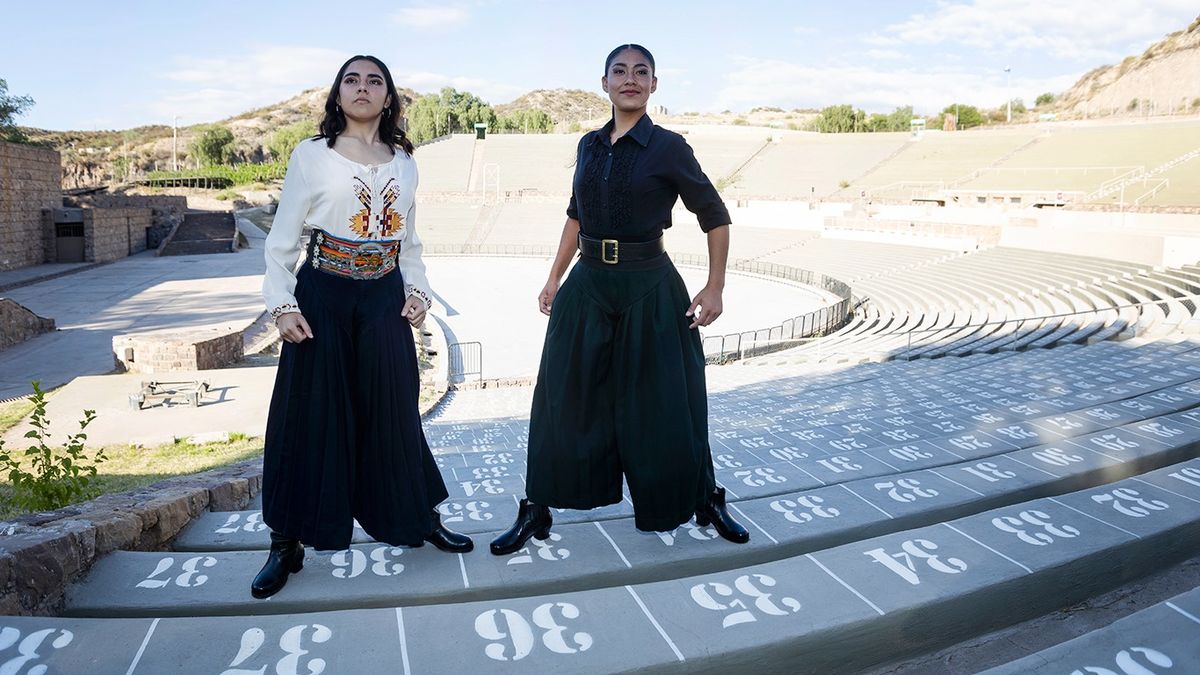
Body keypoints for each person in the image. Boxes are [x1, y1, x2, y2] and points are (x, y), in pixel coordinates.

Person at [490, 44, 748, 555]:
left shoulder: (670, 147)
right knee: (559, 398)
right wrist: (554, 277)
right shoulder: (588, 145)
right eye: (620, 71)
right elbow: (576, 214)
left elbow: (714, 215)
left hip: (649, 285)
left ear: (654, 84)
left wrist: (715, 285)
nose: (630, 79)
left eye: (641, 71)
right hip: (588, 283)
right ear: (604, 82)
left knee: (670, 402)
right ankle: (537, 507)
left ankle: (704, 498)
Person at [254, 54, 472, 600]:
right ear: (337, 94)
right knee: (309, 413)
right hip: (323, 294)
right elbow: (282, 240)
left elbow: (409, 243)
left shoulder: (405, 162)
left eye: (375, 81)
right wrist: (282, 304)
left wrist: (416, 292)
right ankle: (286, 542)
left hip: (383, 296)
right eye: (351, 79)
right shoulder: (311, 155)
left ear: (388, 97)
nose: (363, 88)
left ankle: (418, 518)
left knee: (394, 407)